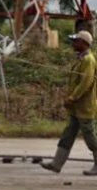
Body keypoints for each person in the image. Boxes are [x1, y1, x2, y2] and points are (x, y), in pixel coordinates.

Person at [41, 30, 97, 175]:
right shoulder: (80, 59)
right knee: (68, 135)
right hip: (76, 108)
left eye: (76, 41)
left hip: (85, 107)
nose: (73, 43)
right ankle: (56, 164)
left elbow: (86, 82)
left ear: (84, 43)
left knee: (91, 138)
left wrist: (72, 98)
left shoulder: (88, 60)